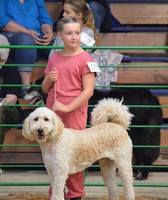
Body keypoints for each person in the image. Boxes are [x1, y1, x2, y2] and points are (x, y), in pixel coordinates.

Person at [42, 16, 97, 200]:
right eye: (69, 33)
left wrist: (67, 107)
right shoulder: (54, 57)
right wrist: (50, 78)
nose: (74, 37)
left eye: (77, 33)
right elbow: (44, 88)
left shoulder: (86, 58)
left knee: (74, 152)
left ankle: (75, 194)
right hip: (53, 108)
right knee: (52, 154)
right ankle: (56, 193)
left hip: (73, 109)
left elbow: (88, 91)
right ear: (60, 35)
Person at [49, 0, 123, 87]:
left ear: (79, 16)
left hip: (74, 75)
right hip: (58, 72)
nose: (63, 15)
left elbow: (85, 52)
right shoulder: (61, 33)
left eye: (67, 12)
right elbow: (53, 53)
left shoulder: (87, 33)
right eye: (64, 11)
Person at [0, 34, 44, 174]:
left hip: (8, 110)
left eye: (2, 60)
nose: (1, 62)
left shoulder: (10, 67)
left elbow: (11, 99)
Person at [0, 0, 54, 96]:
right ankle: (26, 88)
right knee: (26, 40)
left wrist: (49, 34)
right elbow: (3, 21)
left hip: (37, 36)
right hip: (12, 36)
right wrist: (27, 31)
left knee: (57, 44)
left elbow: (45, 20)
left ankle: (51, 85)